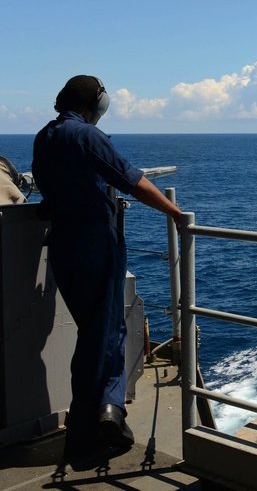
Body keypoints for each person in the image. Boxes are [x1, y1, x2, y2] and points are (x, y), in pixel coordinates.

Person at [32, 75, 183, 467]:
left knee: (100, 331)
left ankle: (109, 412)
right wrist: (176, 214)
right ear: (96, 104)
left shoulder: (45, 136)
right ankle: (85, 437)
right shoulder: (87, 137)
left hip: (64, 243)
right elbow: (133, 182)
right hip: (94, 243)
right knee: (100, 338)